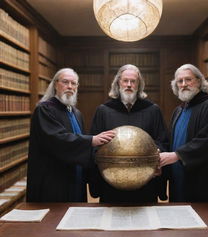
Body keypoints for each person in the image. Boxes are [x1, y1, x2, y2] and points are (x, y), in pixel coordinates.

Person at [26, 68, 115, 202]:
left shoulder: (76, 113)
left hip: (75, 178)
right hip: (53, 179)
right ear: (55, 84)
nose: (69, 86)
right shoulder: (44, 109)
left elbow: (82, 148)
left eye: (73, 83)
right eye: (65, 82)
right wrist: (91, 140)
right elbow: (56, 139)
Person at [89, 64, 169, 203]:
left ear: (139, 84)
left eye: (133, 81)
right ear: (118, 82)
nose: (129, 85)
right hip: (111, 182)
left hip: (145, 181)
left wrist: (157, 153)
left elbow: (162, 140)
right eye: (125, 81)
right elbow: (94, 144)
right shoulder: (103, 111)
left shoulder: (153, 110)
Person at [159, 64, 208, 202]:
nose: (184, 84)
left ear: (198, 81)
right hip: (178, 178)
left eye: (188, 79)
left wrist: (178, 155)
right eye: (180, 81)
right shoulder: (178, 111)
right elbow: (172, 144)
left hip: (203, 181)